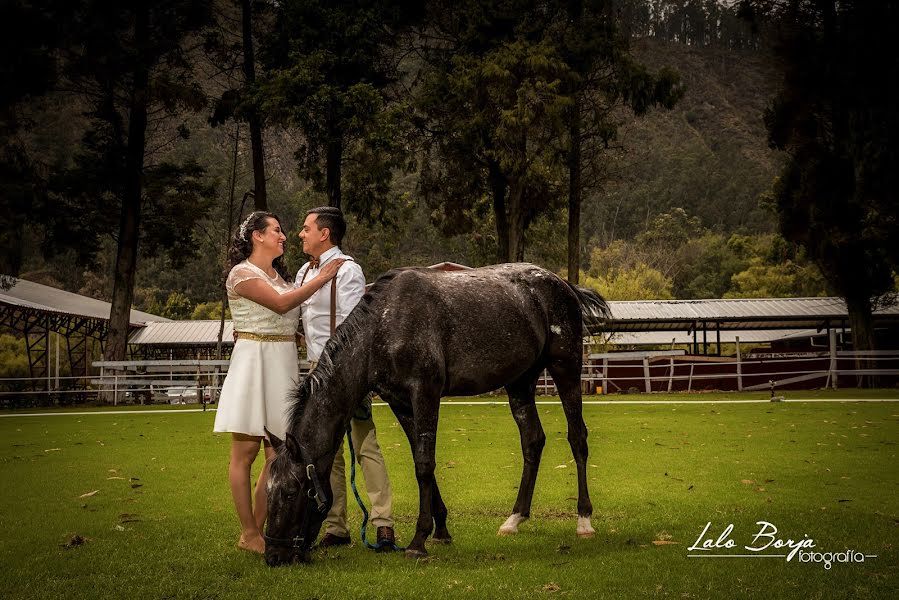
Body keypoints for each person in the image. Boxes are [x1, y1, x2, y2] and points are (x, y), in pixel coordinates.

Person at [213, 210, 345, 554]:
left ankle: (258, 531)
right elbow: (281, 303)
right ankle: (248, 531)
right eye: (277, 230)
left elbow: (293, 313)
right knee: (245, 452)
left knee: (278, 457)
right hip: (254, 362)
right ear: (257, 235)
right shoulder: (241, 274)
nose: (284, 236)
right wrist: (322, 278)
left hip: (283, 362)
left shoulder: (282, 276)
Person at [295, 206, 396, 550]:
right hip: (314, 369)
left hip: (345, 372)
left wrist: (353, 377)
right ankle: (336, 525)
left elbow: (357, 328)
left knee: (365, 444)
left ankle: (383, 522)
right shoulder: (303, 272)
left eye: (306, 228)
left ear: (324, 233)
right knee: (328, 450)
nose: (301, 233)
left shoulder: (349, 270)